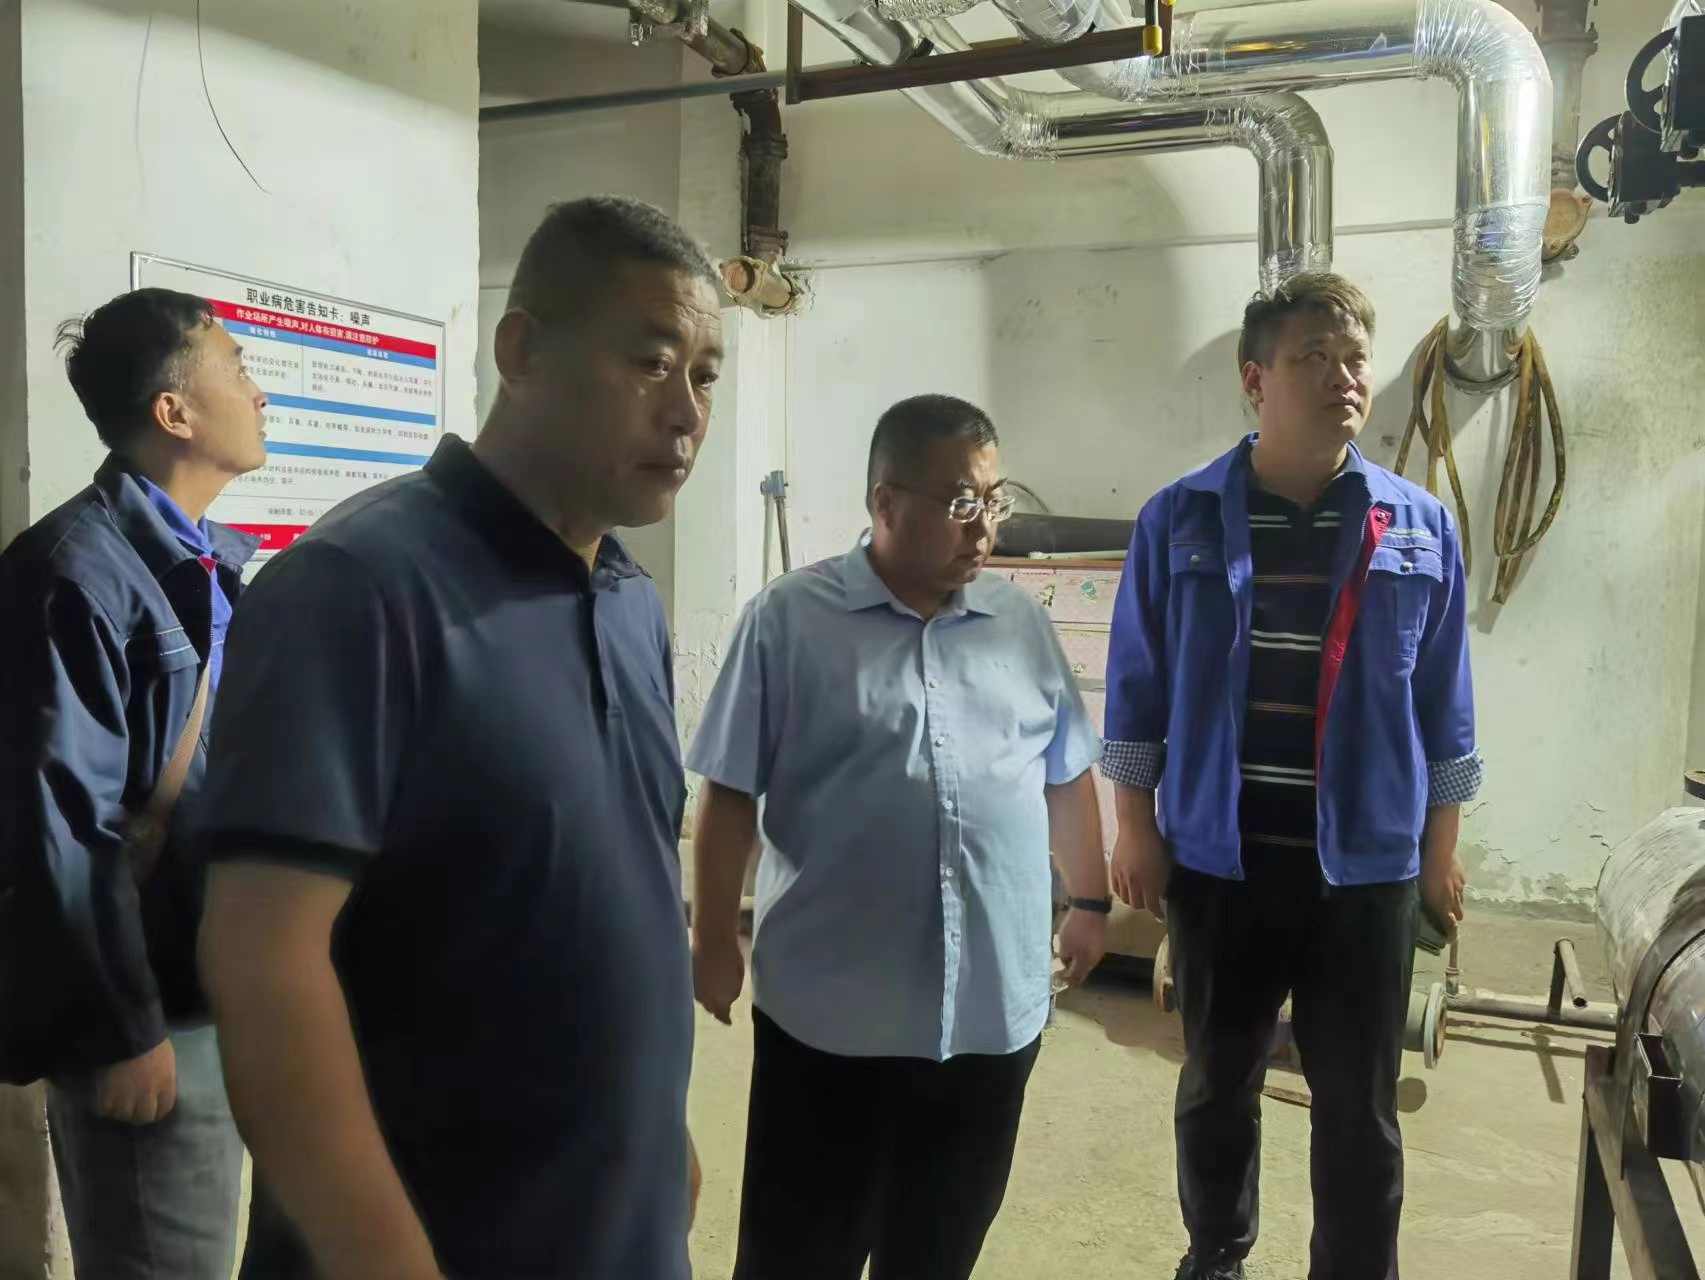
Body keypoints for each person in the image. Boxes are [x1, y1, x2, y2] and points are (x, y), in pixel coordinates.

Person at [194, 196, 723, 1280]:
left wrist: (649, 1132)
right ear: (520, 351)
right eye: (651, 362)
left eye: (705, 377)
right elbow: (262, 963)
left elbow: (591, 889)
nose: (685, 413)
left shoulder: (628, 601)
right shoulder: (357, 589)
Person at [1102, 274, 1477, 1280]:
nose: (1341, 376)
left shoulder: (1418, 526)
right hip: (1220, 863)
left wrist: (1440, 848)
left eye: (1353, 358)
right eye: (1312, 356)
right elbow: (1135, 689)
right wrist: (1133, 826)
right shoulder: (1176, 518)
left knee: (1358, 1104)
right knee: (1215, 1083)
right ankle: (1215, 1252)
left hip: (1364, 871)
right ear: (1254, 379)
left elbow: (1445, 705)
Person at [689, 393, 1112, 1280]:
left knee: (939, 1249)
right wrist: (713, 939)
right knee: (798, 1254)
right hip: (831, 1021)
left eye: (994, 499)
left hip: (990, 1014)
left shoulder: (1020, 623)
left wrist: (1089, 900)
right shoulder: (789, 621)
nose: (984, 526)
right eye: (961, 501)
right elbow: (727, 792)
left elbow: (1065, 771)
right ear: (885, 503)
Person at [0, 288, 266, 1278]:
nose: (260, 393)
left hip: (214, 987)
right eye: (237, 368)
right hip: (149, 1013)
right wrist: (122, 1030)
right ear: (174, 411)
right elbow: (62, 823)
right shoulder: (73, 573)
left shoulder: (204, 564)